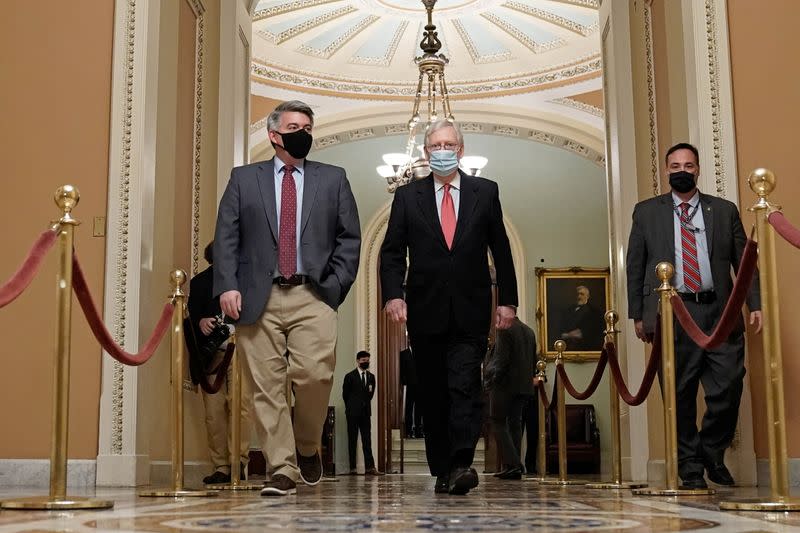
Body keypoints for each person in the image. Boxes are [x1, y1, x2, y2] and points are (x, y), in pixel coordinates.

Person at [213, 100, 361, 497]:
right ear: (274, 134)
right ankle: (281, 467)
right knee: (266, 387)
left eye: (309, 126)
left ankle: (308, 445)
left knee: (316, 375)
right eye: (296, 126)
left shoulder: (333, 178)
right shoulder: (244, 179)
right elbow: (227, 235)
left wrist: (336, 285)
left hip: (313, 293)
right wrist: (227, 284)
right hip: (255, 296)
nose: (304, 133)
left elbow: (350, 239)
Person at [380, 119, 518, 495]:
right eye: (436, 145)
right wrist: (394, 295)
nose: (443, 151)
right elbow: (392, 253)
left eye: (449, 144)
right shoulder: (408, 197)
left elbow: (501, 249)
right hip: (425, 311)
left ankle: (461, 462)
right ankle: (443, 469)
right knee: (433, 393)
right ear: (426, 153)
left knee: (464, 386)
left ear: (461, 150)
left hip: (470, 309)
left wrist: (506, 300)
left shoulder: (484, 191)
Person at [626, 142, 762, 489]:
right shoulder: (646, 212)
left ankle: (710, 451)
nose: (682, 171)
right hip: (672, 312)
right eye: (675, 166)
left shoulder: (724, 210)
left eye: (688, 165)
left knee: (729, 385)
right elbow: (636, 266)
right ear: (666, 170)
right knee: (678, 393)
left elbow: (744, 262)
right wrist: (638, 315)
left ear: (698, 170)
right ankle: (689, 469)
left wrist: (754, 303)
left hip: (719, 310)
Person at [186, 241, 252, 485]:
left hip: (242, 350)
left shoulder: (247, 278)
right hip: (211, 354)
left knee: (242, 408)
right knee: (214, 413)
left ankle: (239, 462)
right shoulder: (200, 282)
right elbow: (191, 319)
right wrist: (201, 322)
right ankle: (221, 467)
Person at [485, 317, 537, 480]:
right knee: (515, 422)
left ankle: (514, 464)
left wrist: (489, 380)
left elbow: (501, 359)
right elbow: (533, 361)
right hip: (523, 386)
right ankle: (511, 467)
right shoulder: (529, 331)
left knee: (497, 421)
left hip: (504, 384)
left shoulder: (505, 329)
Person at [342, 351, 382, 475]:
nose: (366, 362)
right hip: (352, 413)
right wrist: (352, 406)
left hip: (365, 413)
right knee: (352, 440)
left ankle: (370, 467)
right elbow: (345, 395)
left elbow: (370, 394)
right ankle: (352, 468)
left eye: (367, 360)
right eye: (364, 360)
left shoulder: (371, 377)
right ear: (358, 361)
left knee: (367, 440)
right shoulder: (350, 376)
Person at [559, 285, 604, 352]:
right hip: (568, 346)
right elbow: (562, 327)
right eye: (578, 294)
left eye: (582, 294)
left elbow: (596, 331)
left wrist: (581, 333)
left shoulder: (594, 312)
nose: (579, 297)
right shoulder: (568, 310)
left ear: (587, 296)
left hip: (586, 346)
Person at [400, 347, 423, 438]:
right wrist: (405, 383)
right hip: (409, 387)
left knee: (419, 409)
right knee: (408, 409)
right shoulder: (404, 354)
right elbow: (402, 370)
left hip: (420, 386)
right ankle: (408, 431)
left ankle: (418, 431)